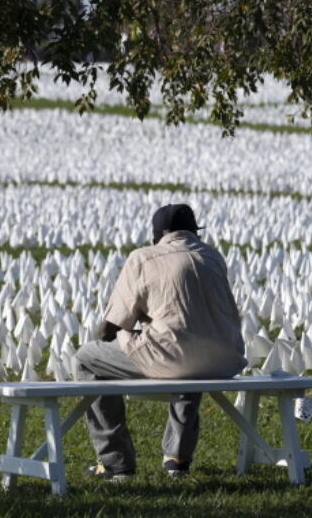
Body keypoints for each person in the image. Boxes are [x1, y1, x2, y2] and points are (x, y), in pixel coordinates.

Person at [73, 203, 247, 480]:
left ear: (158, 235)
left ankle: (115, 462)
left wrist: (129, 329)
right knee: (188, 350)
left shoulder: (143, 258)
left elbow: (110, 328)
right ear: (193, 232)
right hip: (227, 358)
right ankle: (177, 457)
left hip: (177, 357)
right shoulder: (213, 256)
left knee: (87, 358)